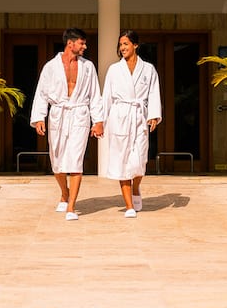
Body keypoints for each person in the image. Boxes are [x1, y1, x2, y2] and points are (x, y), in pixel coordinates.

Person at [29, 28, 98, 220]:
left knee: (76, 161)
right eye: (82, 43)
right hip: (58, 115)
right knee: (57, 162)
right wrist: (39, 118)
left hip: (79, 115)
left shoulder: (88, 67)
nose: (85, 46)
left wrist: (98, 121)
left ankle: (71, 207)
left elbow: (95, 95)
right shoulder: (50, 67)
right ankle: (64, 193)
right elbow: (42, 93)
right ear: (70, 43)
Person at [92, 30, 161, 218]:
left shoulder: (148, 69)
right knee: (122, 160)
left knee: (140, 160)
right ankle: (129, 205)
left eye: (126, 44)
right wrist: (100, 122)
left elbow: (154, 93)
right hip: (119, 117)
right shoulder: (114, 70)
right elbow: (106, 97)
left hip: (139, 116)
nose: (122, 48)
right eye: (120, 44)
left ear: (135, 45)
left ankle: (136, 188)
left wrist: (153, 115)